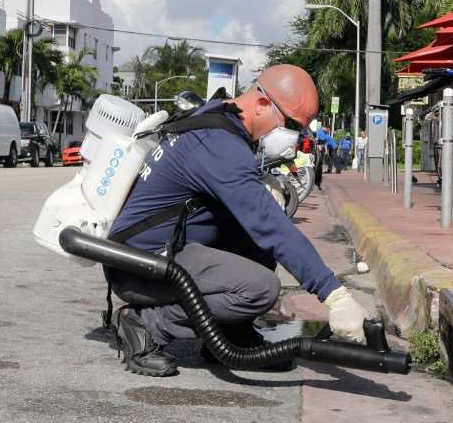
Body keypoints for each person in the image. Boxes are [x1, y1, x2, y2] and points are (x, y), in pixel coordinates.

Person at [105, 64, 368, 377]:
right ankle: (145, 323)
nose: (295, 138)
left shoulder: (221, 116)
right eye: (292, 124)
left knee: (260, 236)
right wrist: (334, 295)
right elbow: (270, 226)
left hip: (170, 246)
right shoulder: (219, 143)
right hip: (142, 265)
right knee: (259, 288)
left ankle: (231, 334)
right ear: (261, 104)